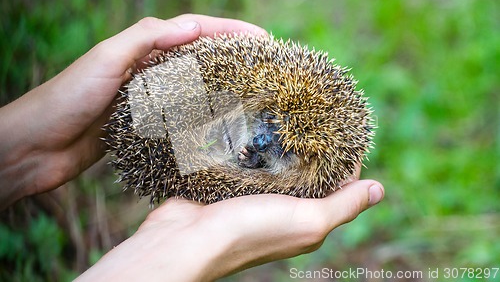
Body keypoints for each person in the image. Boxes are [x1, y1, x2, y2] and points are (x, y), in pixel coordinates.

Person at [0, 14, 384, 281]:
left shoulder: (293, 157)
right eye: (272, 125)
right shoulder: (252, 96)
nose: (268, 138)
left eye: (285, 147)